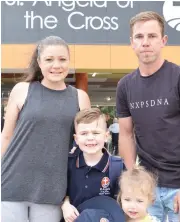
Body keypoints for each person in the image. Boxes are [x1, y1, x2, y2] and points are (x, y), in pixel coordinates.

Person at [1, 36, 91, 222]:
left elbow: (88, 145)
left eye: (62, 59)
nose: (56, 65)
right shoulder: (22, 90)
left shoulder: (80, 98)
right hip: (11, 183)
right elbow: (6, 137)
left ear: (69, 61)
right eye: (49, 59)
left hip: (53, 190)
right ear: (39, 62)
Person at [116, 11, 180, 222]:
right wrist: (131, 182)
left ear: (163, 41)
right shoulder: (125, 86)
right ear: (132, 43)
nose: (145, 42)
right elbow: (125, 134)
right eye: (139, 37)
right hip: (146, 190)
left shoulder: (177, 77)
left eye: (152, 36)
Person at [61, 108, 125, 222]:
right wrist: (65, 205)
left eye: (96, 133)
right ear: (76, 138)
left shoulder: (117, 167)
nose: (90, 138)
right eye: (84, 133)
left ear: (106, 136)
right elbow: (62, 192)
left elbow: (125, 203)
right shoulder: (68, 164)